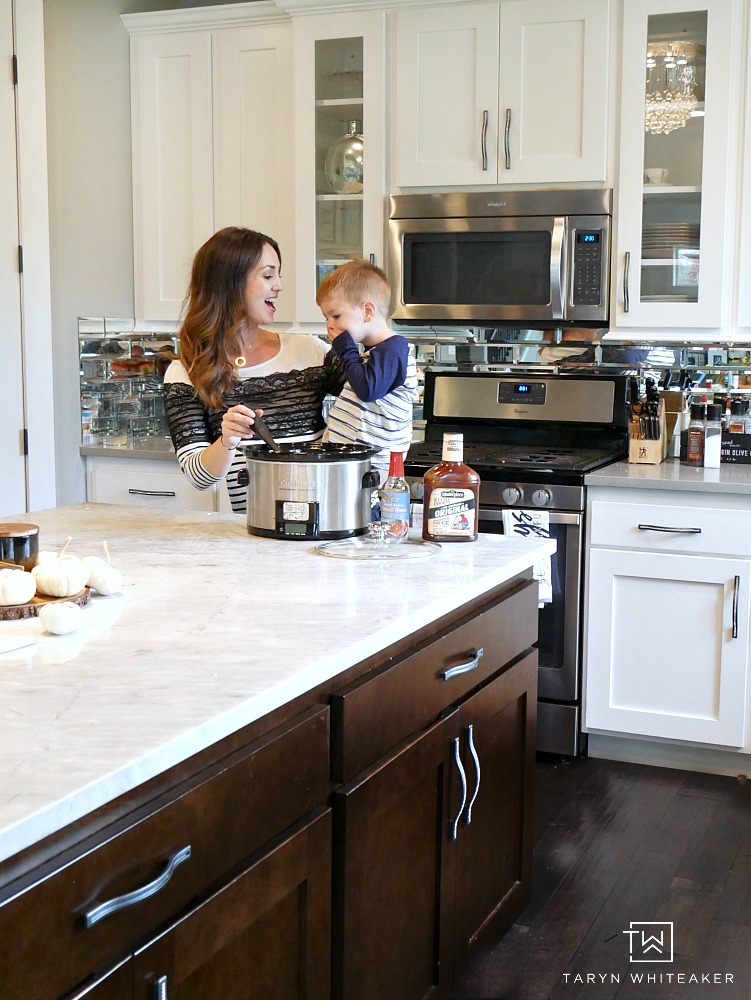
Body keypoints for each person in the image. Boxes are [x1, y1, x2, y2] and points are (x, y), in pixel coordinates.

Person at [164, 227, 345, 512]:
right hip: (250, 534)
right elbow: (198, 476)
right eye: (268, 275)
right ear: (230, 283)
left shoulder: (310, 351)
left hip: (322, 526)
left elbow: (371, 396)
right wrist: (227, 440)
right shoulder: (186, 372)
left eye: (278, 275)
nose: (279, 286)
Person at [316, 258, 418, 482]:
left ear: (368, 311)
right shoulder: (374, 354)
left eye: (336, 315)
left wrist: (346, 350)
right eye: (326, 318)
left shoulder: (394, 349)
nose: (329, 326)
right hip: (352, 465)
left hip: (370, 469)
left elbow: (367, 389)